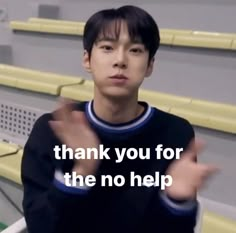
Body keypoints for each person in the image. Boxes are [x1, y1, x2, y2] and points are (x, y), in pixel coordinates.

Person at [21, 5, 218, 233]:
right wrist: (82, 170)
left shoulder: (175, 133)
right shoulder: (52, 130)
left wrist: (176, 202)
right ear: (87, 59)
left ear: (150, 65)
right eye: (107, 47)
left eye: (135, 50)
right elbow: (41, 226)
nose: (120, 60)